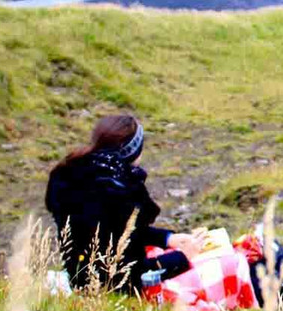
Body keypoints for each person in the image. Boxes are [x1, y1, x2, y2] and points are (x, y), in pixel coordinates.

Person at [45, 115, 206, 293]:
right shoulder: (121, 191)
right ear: (134, 151)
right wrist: (183, 257)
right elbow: (131, 276)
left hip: (78, 277)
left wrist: (167, 239)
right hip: (107, 292)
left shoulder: (74, 174)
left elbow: (118, 231)